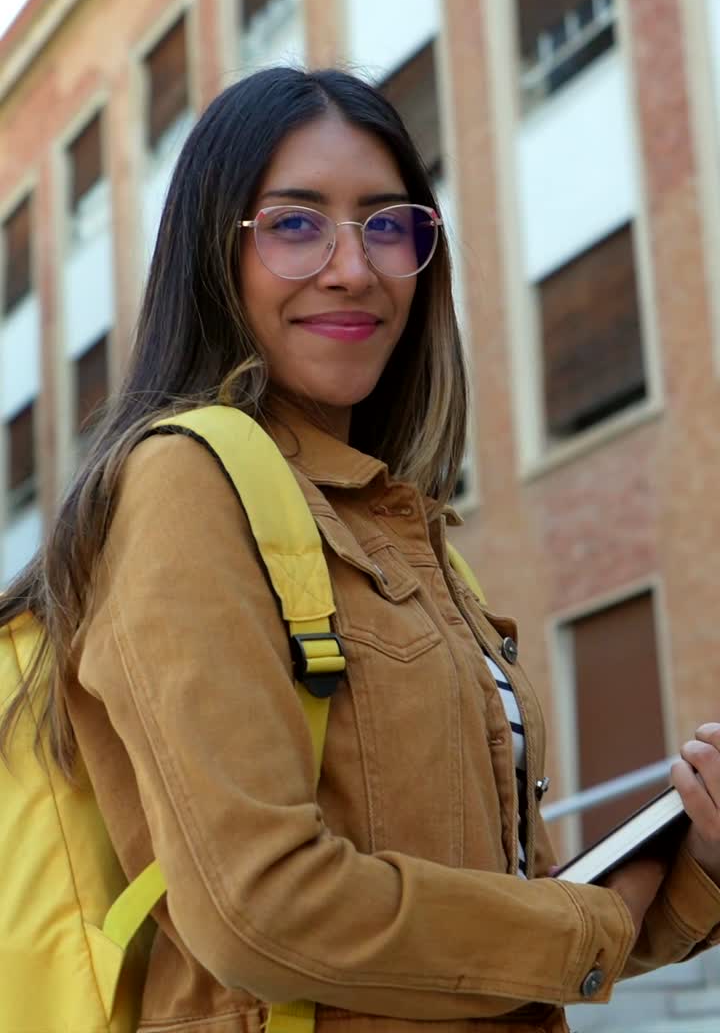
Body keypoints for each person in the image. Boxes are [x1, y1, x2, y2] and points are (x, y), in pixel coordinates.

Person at [2, 66, 720, 1033]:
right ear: (215, 256)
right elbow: (261, 909)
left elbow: (482, 934)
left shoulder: (412, 542)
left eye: (388, 224)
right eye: (296, 224)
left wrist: (694, 864)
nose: (353, 266)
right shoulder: (184, 484)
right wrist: (585, 927)